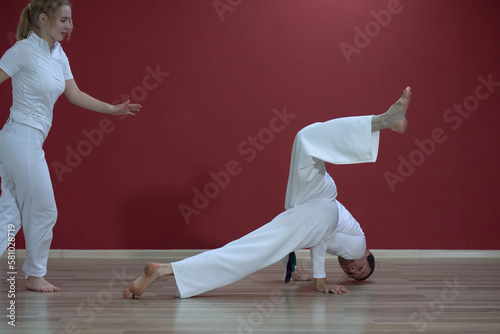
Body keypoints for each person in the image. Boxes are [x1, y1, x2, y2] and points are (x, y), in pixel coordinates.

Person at [123, 87, 411, 299]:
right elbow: (322, 236)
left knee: (305, 139)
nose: (353, 271)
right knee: (254, 249)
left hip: (311, 203)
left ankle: (164, 270)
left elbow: (313, 239)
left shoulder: (346, 243)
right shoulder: (358, 246)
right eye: (361, 269)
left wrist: (300, 269)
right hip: (323, 205)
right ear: (367, 255)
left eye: (354, 276)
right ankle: (383, 121)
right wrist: (320, 281)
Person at [0, 0, 141, 293]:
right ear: (42, 18)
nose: (69, 26)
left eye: (70, 20)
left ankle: (33, 274)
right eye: (64, 20)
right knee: (44, 210)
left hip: (27, 140)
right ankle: (34, 274)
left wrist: (112, 109)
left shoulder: (57, 54)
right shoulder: (23, 50)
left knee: (10, 213)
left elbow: (74, 93)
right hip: (21, 138)